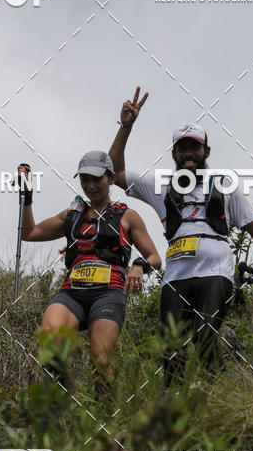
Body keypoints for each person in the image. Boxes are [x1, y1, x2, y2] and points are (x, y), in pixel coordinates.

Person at [108, 87, 253, 383]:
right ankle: (174, 407)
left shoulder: (225, 185)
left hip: (216, 272)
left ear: (206, 151)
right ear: (174, 152)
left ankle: (215, 399)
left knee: (205, 336)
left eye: (195, 147)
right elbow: (113, 171)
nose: (189, 153)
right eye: (182, 148)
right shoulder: (159, 185)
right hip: (176, 276)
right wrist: (126, 126)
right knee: (170, 348)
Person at [20, 150, 161, 385]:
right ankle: (65, 401)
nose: (90, 185)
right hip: (72, 293)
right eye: (85, 180)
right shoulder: (72, 215)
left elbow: (155, 257)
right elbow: (29, 233)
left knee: (101, 360)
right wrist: (26, 194)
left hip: (108, 293)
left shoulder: (128, 216)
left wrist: (139, 265)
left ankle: (106, 418)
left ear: (111, 179)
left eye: (97, 179)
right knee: (50, 338)